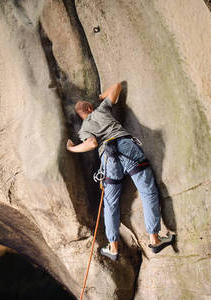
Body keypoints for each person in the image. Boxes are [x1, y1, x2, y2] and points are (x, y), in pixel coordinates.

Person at [65, 81, 174, 261]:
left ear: (81, 115)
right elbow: (117, 86)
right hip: (126, 146)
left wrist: (72, 149)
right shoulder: (101, 110)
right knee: (147, 191)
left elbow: (92, 143)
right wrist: (101, 97)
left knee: (110, 204)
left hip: (108, 159)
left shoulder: (84, 129)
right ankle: (154, 239)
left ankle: (113, 247)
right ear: (90, 108)